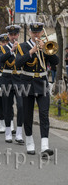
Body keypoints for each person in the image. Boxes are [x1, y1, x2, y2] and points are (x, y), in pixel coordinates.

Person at [15, 22, 58, 157]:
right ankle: (29, 142)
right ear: (29, 32)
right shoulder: (22, 47)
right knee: (28, 115)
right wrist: (32, 52)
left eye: (38, 32)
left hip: (42, 82)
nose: (36, 35)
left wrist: (46, 50)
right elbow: (17, 63)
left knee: (44, 114)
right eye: (34, 32)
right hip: (27, 83)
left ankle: (45, 146)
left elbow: (55, 62)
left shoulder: (45, 45)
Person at [0, 25, 24, 144]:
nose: (13, 37)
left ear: (18, 35)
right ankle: (8, 132)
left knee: (21, 106)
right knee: (7, 106)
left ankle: (19, 133)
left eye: (15, 34)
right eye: (11, 35)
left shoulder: (23, 47)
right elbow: (1, 60)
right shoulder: (4, 48)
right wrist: (11, 50)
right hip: (7, 79)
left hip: (19, 79)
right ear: (8, 36)